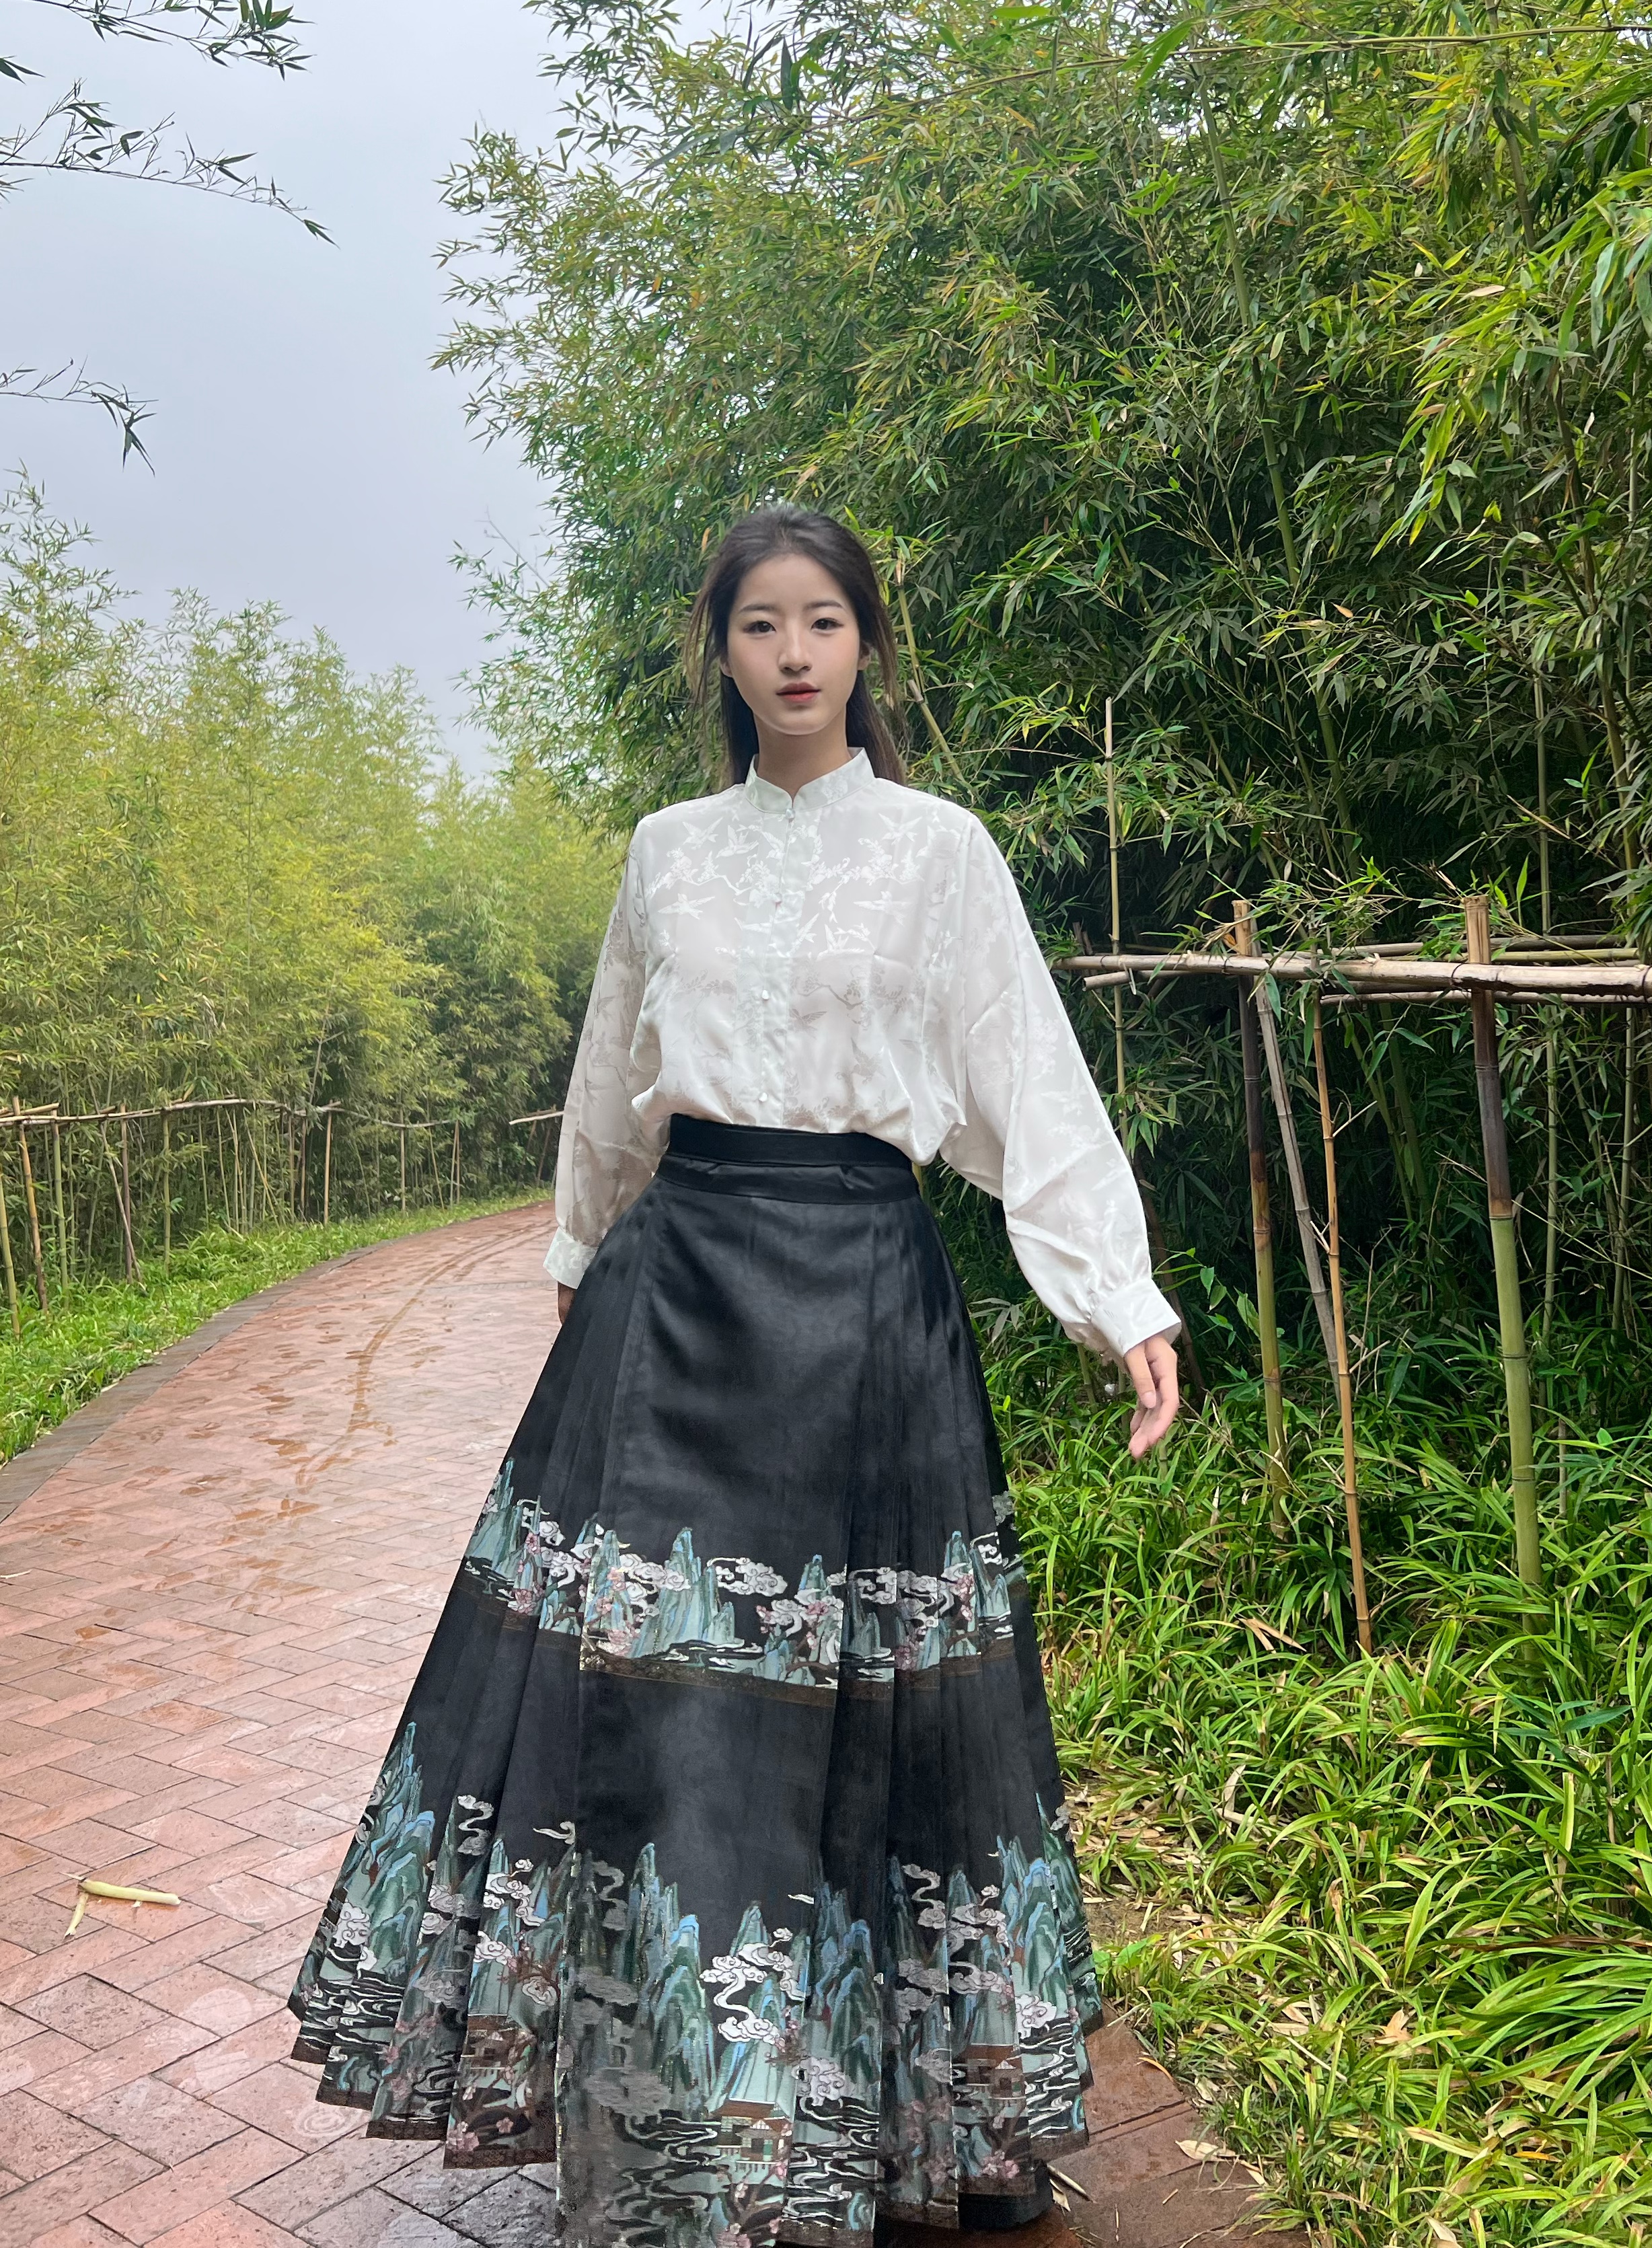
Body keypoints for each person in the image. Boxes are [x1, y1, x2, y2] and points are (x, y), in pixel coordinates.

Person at [289, 507, 1180, 2248]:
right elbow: (611, 1074)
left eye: (822, 620)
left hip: (866, 1310)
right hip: (675, 1304)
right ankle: (689, 2121)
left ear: (865, 645)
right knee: (668, 1712)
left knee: (890, 1716)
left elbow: (1028, 1080)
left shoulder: (939, 853)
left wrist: (1116, 1297)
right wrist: (574, 1260)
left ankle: (922, 2119)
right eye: (761, 623)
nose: (792, 652)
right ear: (721, 650)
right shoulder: (667, 852)